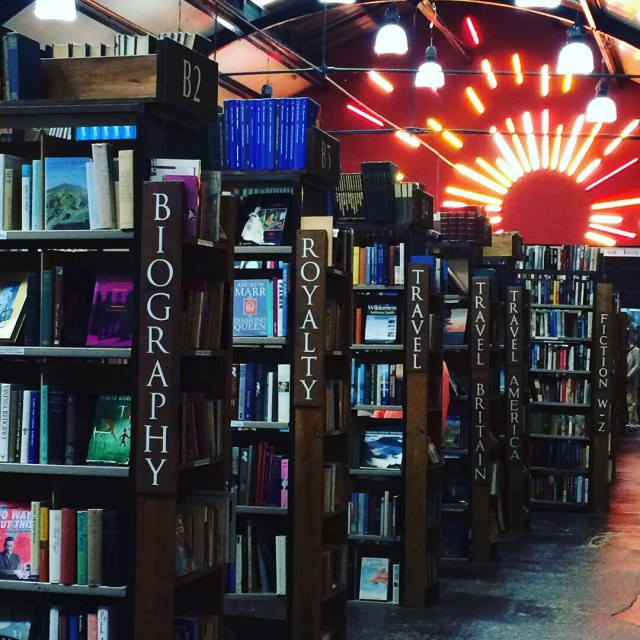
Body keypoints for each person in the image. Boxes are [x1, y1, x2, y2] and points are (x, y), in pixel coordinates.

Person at [627, 334, 640, 432]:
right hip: (623, 380)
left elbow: (638, 365)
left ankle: (633, 423)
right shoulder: (624, 351)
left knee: (632, 402)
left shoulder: (636, 351)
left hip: (631, 380)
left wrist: (629, 375)